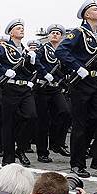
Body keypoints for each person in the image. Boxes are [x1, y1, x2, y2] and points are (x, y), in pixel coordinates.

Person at [55, 0, 97, 178]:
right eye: (95, 9)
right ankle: (77, 164)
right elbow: (61, 51)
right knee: (80, 124)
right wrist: (77, 67)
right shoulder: (78, 32)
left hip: (96, 83)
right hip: (81, 83)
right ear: (87, 14)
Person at [0, 19, 37, 167]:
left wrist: (32, 63)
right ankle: (8, 157)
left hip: (25, 89)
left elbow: (29, 71)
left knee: (31, 116)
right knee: (9, 123)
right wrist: (3, 71)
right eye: (18, 28)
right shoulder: (4, 48)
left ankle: (20, 148)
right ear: (11, 32)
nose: (21, 30)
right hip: (10, 89)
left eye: (22, 28)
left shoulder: (26, 51)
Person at [34, 24, 70, 162]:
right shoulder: (43, 49)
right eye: (52, 33)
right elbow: (36, 61)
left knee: (65, 113)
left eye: (58, 33)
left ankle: (57, 143)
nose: (55, 34)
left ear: (61, 36)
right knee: (43, 121)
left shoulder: (63, 51)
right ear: (48, 36)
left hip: (55, 88)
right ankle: (42, 152)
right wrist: (45, 73)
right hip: (42, 88)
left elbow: (66, 67)